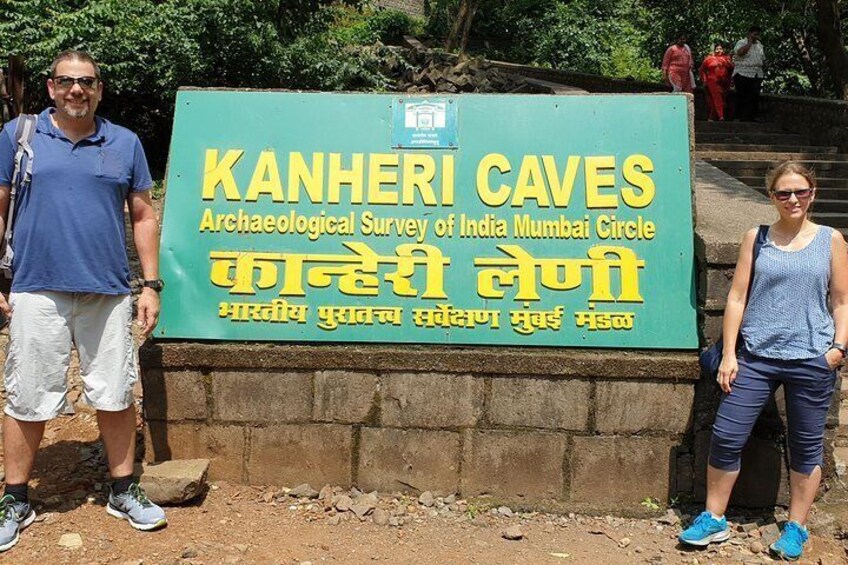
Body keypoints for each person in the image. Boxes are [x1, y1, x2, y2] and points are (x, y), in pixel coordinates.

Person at [0, 50, 167, 552]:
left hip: (108, 289)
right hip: (36, 285)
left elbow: (142, 215)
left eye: (87, 82)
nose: (77, 90)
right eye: (67, 82)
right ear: (51, 87)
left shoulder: (124, 143)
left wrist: (151, 285)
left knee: (115, 392)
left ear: (100, 89)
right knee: (27, 394)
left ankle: (123, 490)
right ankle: (15, 498)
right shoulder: (19, 137)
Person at [679, 161, 848, 561]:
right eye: (784, 193)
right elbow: (736, 297)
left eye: (800, 192)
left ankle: (796, 526)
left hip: (812, 356)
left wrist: (838, 347)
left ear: (813, 194)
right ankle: (713, 518)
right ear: (771, 196)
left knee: (806, 446)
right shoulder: (756, 237)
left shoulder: (831, 240)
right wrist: (730, 354)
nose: (793, 199)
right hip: (756, 354)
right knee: (726, 434)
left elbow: (841, 299)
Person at [732, 26, 766, 121]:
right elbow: (740, 53)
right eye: (754, 34)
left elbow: (762, 59)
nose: (756, 36)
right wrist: (749, 42)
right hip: (743, 73)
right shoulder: (741, 42)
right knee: (742, 95)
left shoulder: (759, 45)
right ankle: (738, 117)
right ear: (749, 33)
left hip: (756, 73)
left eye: (757, 35)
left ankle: (751, 117)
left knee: (754, 96)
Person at [699, 43, 734, 121]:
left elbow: (732, 69)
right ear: (714, 50)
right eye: (717, 49)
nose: (719, 51)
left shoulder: (726, 58)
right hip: (712, 80)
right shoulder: (709, 59)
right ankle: (721, 116)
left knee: (720, 98)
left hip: (724, 82)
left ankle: (711, 117)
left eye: (720, 49)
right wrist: (704, 80)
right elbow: (701, 70)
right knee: (717, 96)